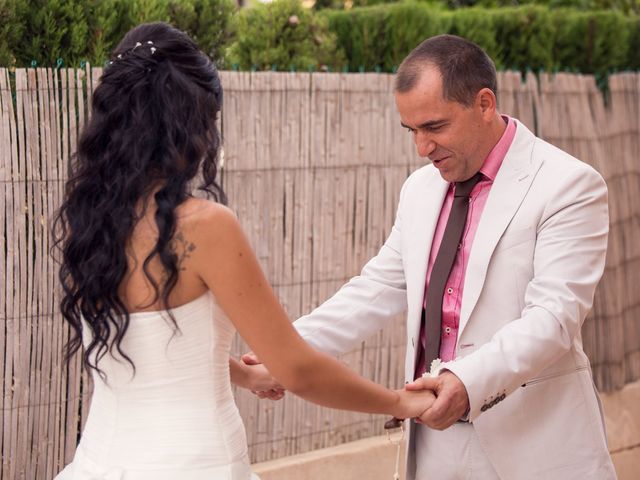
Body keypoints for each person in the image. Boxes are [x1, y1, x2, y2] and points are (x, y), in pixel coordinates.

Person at [52, 22, 434, 480]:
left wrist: (246, 374)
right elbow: (297, 369)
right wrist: (399, 401)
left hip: (99, 462)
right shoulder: (205, 227)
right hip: (197, 465)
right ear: (186, 125)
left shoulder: (90, 220)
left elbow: (159, 348)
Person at [247, 35, 617, 479]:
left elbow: (554, 318)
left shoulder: (569, 185)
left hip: (535, 444)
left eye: (435, 127)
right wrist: (285, 352)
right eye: (412, 131)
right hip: (433, 444)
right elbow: (376, 288)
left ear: (484, 103)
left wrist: (467, 382)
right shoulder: (419, 189)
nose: (422, 148)